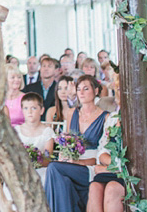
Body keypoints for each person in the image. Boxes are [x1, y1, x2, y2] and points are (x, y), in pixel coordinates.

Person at [45, 75, 110, 212]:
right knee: (64, 182)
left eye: (86, 89)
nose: (81, 92)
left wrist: (79, 162)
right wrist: (65, 156)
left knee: (53, 168)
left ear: (96, 91)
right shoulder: (72, 112)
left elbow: (102, 153)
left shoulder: (105, 117)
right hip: (71, 164)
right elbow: (66, 143)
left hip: (90, 167)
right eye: (78, 89)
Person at [16, 92, 55, 184]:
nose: (29, 112)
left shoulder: (47, 132)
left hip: (40, 170)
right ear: (22, 111)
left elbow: (47, 159)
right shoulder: (16, 130)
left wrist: (33, 161)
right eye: (26, 108)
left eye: (34, 108)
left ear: (41, 110)